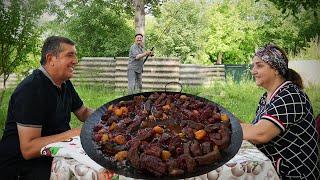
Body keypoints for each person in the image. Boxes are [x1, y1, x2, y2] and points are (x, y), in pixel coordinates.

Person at [0, 36, 94, 179]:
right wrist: (74, 133)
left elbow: (83, 112)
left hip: (55, 153)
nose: (76, 61)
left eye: (75, 55)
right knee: (90, 173)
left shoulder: (64, 83)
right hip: (23, 166)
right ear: (50, 59)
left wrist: (108, 115)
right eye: (70, 55)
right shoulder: (30, 89)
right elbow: (28, 149)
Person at [240, 44, 320, 179]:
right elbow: (255, 130)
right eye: (253, 66)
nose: (253, 71)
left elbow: (260, 134)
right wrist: (224, 117)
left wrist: (224, 127)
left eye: (259, 66)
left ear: (276, 69)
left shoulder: (290, 95)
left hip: (294, 173)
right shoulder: (267, 97)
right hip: (273, 167)